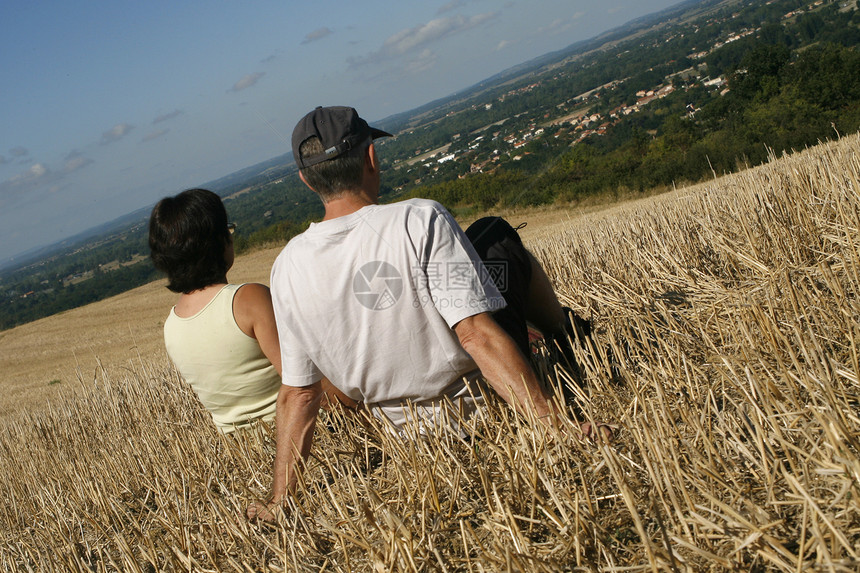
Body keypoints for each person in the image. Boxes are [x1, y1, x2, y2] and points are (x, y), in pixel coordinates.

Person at [253, 106, 604, 518]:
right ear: (371, 158)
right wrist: (555, 429)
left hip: (408, 441)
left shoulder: (287, 266)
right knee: (494, 235)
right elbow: (475, 334)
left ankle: (563, 336)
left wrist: (280, 501)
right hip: (481, 409)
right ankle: (567, 335)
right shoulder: (420, 219)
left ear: (305, 179)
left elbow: (299, 393)